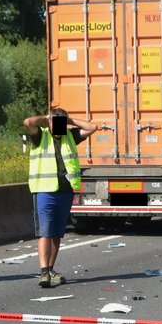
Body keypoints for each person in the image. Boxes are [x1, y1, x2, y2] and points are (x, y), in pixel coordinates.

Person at [25, 108, 98, 288]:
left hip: (65, 191)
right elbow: (28, 122)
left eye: (61, 122)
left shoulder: (70, 136)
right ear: (49, 122)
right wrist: (45, 118)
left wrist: (69, 120)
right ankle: (43, 272)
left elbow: (93, 127)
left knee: (57, 233)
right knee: (45, 232)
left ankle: (50, 269)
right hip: (44, 190)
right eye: (55, 122)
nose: (58, 126)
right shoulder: (40, 136)